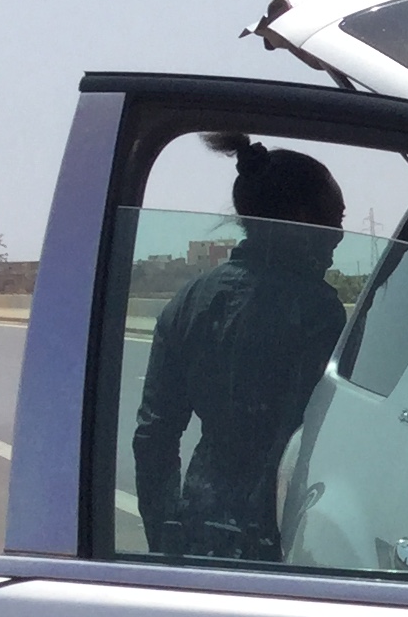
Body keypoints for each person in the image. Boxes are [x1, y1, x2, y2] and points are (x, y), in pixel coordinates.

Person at [130, 134, 349, 560]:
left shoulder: (187, 301)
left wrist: (165, 537)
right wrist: (268, 529)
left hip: (199, 514)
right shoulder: (317, 310)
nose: (340, 236)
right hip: (278, 524)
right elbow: (300, 438)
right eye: (336, 219)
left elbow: (153, 436)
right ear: (303, 217)